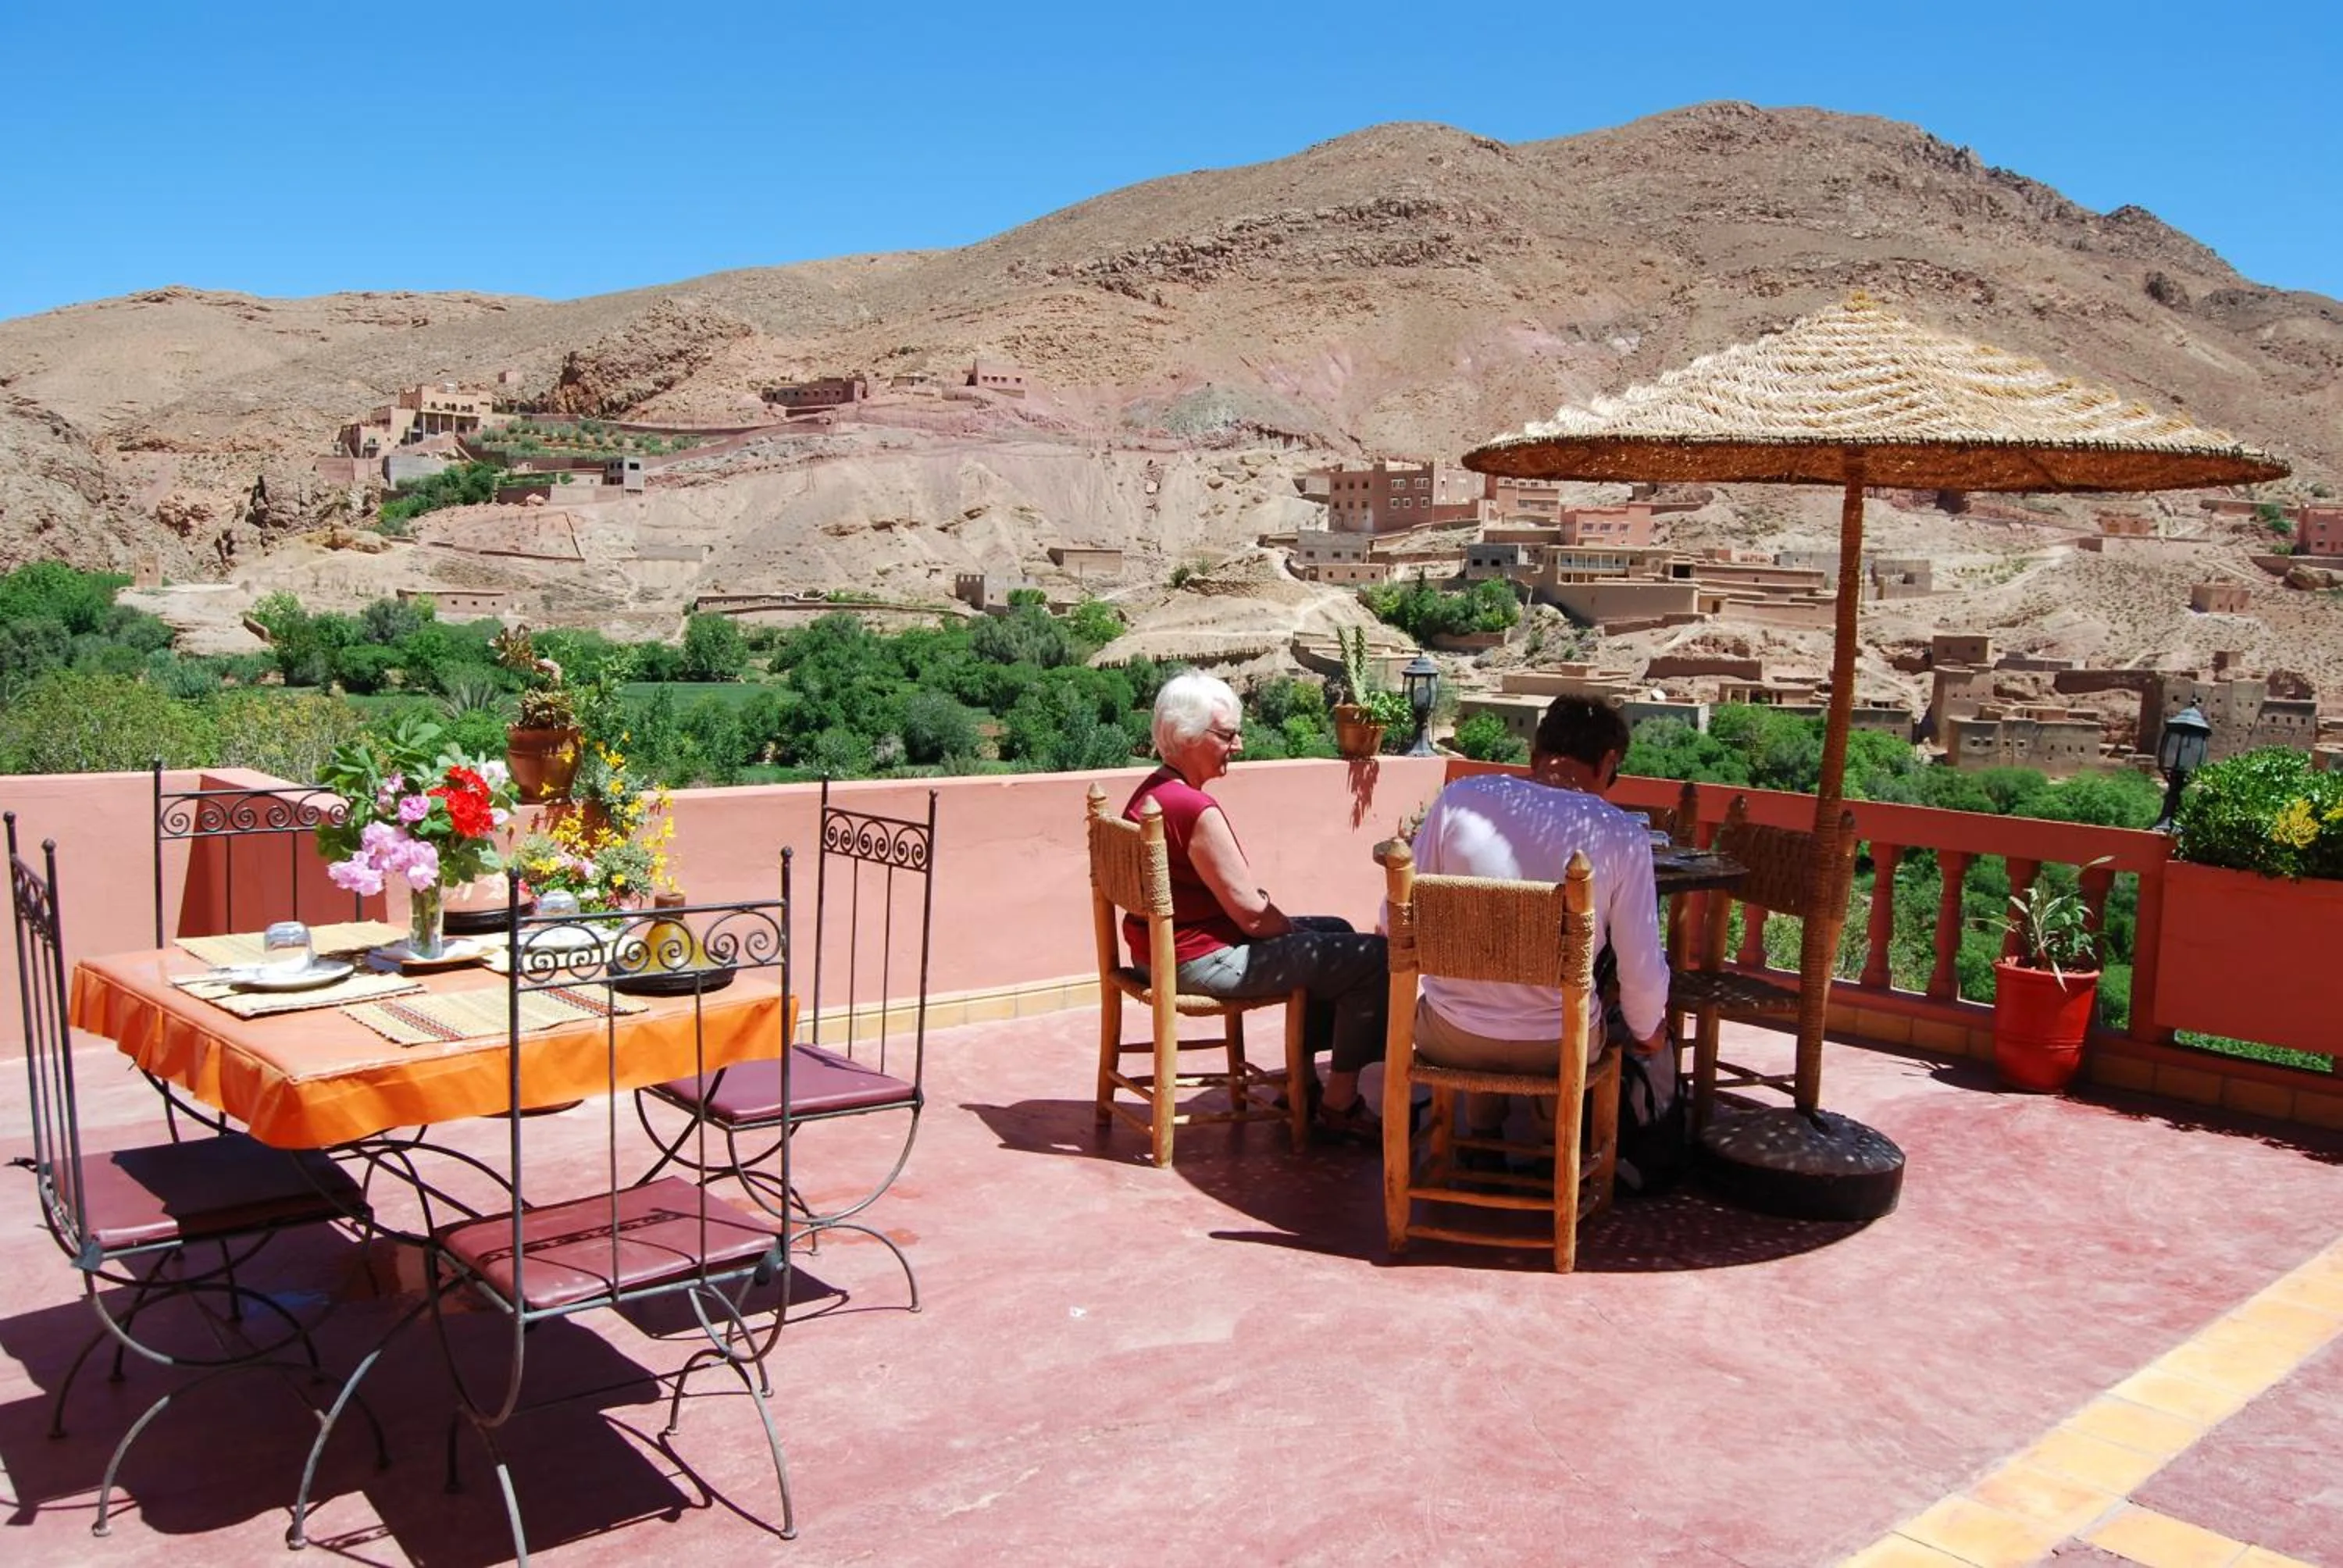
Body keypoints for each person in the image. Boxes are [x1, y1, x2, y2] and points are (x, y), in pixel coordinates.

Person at [1122, 672, 1389, 1140]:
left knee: (1338, 928)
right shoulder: (1193, 810)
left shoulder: (1149, 796)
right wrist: (1300, 937)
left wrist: (1313, 936)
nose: (1239, 746)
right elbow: (1250, 913)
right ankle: (1339, 1101)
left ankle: (1302, 1085)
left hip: (1158, 955)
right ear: (1187, 735)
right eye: (1227, 735)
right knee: (1372, 958)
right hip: (1202, 961)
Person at [1405, 696, 1670, 1143]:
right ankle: (1554, 1142)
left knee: (1483, 990)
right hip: (1559, 1049)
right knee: (1592, 1009)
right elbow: (1640, 972)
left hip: (1449, 1036)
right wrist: (1650, 1032)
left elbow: (1398, 924)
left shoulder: (1460, 801)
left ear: (1536, 754)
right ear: (1608, 762)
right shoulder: (1622, 835)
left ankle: (1481, 1142)